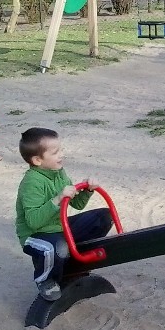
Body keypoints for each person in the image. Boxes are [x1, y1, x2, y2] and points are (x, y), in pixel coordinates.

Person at [15, 127, 113, 300]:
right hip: (35, 235)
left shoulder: (59, 173)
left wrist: (87, 190)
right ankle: (45, 280)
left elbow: (77, 204)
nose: (61, 154)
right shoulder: (32, 182)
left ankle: (74, 264)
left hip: (58, 226)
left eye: (61, 150)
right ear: (37, 160)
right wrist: (57, 199)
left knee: (104, 217)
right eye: (55, 152)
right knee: (56, 247)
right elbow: (33, 221)